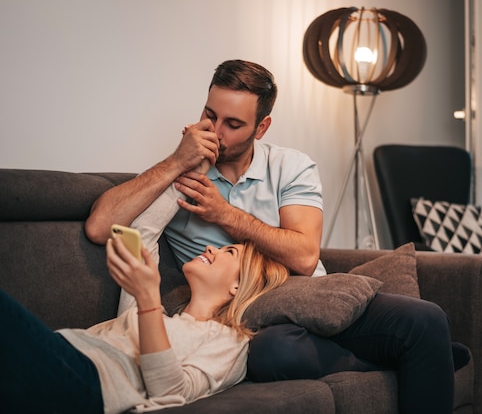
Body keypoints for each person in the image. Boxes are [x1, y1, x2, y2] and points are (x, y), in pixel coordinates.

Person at [85, 59, 460, 413]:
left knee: (424, 319)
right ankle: (394, 358)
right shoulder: (183, 177)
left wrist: (226, 215)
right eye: (209, 115)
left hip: (309, 295)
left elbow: (303, 257)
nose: (215, 133)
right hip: (249, 311)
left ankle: (422, 348)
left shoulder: (289, 166)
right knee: (274, 355)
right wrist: (176, 162)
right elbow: (100, 226)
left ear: (261, 128)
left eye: (233, 124)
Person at [0, 235, 290, 414]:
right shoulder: (155, 310)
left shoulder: (229, 340)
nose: (211, 248)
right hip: (60, 350)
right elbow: (144, 232)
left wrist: (148, 299)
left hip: (87, 382)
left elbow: (172, 394)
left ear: (239, 285)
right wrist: (185, 166)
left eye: (229, 252)